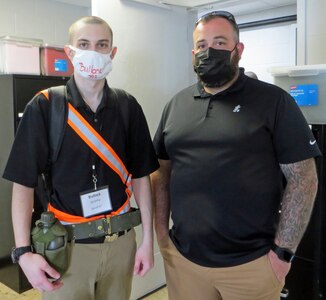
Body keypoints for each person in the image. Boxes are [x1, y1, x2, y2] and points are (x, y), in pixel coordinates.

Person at [151, 11, 320, 300]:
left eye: (219, 42)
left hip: (252, 265)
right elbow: (161, 173)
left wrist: (283, 253)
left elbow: (303, 178)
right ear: (193, 53)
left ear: (237, 50)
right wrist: (162, 236)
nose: (210, 51)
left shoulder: (274, 101)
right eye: (202, 45)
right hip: (185, 261)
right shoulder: (176, 105)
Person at [3, 16, 159, 300]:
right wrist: (24, 252)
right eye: (84, 44)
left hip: (121, 244)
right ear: (70, 52)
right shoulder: (45, 106)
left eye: (102, 45)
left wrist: (148, 240)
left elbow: (141, 177)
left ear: (112, 53)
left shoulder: (127, 106)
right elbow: (23, 183)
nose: (94, 52)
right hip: (66, 247)